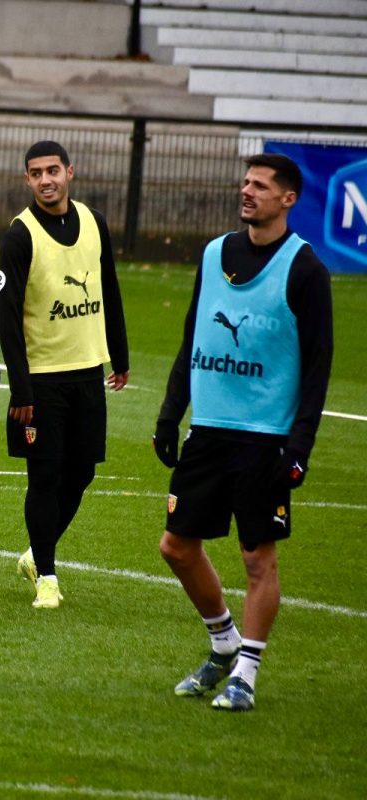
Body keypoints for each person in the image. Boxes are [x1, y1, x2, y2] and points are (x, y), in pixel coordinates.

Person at [155, 153, 333, 712]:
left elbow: (317, 367)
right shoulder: (213, 254)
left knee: (258, 559)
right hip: (207, 431)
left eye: (260, 185)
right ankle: (223, 641)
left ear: (288, 199)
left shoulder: (305, 269)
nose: (247, 191)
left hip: (265, 439)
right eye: (245, 182)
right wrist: (169, 412)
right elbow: (192, 336)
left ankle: (246, 673)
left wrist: (299, 446)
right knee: (176, 547)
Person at [0, 140, 129, 609]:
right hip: (43, 381)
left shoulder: (95, 223)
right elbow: (7, 315)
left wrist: (121, 355)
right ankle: (47, 578)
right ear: (27, 180)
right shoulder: (20, 234)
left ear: (70, 172)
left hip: (88, 371)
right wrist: (22, 387)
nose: (46, 179)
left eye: (53, 170)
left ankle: (36, 553)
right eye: (36, 173)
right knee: (46, 476)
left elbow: (108, 288)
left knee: (83, 471)